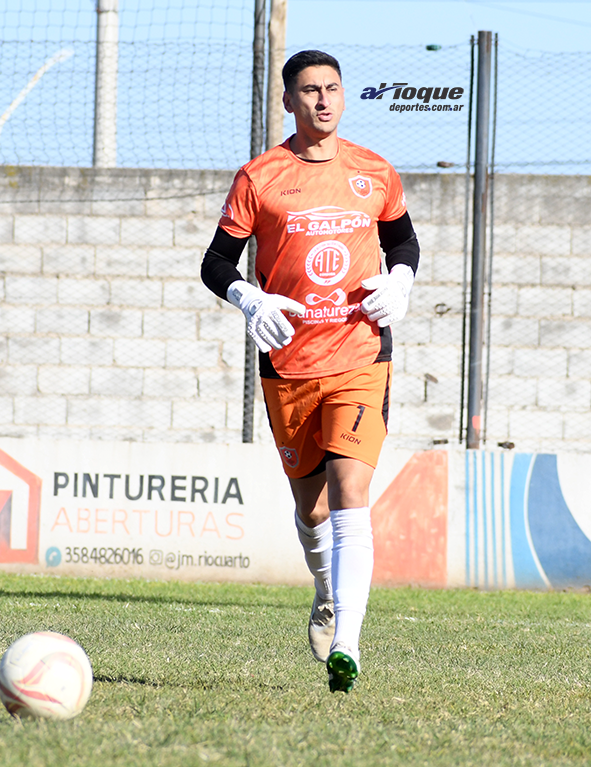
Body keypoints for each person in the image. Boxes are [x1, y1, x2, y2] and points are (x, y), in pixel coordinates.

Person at [200, 50, 420, 694]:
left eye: (332, 88)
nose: (323, 100)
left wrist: (400, 281)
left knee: (352, 491)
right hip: (289, 363)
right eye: (309, 90)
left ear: (344, 96)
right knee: (312, 504)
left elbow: (403, 242)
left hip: (360, 354)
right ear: (289, 102)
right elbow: (216, 262)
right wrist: (251, 299)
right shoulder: (259, 177)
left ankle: (347, 642)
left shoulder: (374, 171)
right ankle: (326, 589)